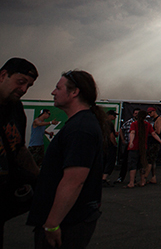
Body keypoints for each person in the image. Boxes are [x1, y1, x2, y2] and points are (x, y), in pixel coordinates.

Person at [27, 70, 107, 249]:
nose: (53, 92)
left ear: (74, 92)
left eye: (58, 88)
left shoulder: (81, 129)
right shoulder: (79, 124)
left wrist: (52, 223)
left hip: (68, 223)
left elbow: (74, 181)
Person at [0, 57, 39, 249]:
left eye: (28, 86)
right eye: (20, 82)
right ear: (3, 76)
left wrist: (39, 180)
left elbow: (20, 149)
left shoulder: (15, 108)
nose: (23, 89)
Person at [126, 110, 161, 188]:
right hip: (143, 148)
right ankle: (142, 181)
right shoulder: (147, 125)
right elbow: (154, 134)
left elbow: (132, 133)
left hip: (134, 147)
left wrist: (131, 142)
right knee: (142, 164)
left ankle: (131, 182)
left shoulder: (134, 124)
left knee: (133, 165)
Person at [115, 108, 139, 184]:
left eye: (138, 113)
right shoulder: (129, 122)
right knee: (125, 161)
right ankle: (121, 177)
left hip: (138, 145)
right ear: (133, 114)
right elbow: (121, 129)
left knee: (136, 162)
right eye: (135, 113)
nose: (137, 115)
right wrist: (123, 139)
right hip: (129, 144)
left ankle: (134, 178)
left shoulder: (143, 123)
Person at [145, 107, 161, 184]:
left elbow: (158, 131)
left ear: (154, 111)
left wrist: (150, 132)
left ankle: (146, 177)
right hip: (152, 141)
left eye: (150, 112)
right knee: (152, 160)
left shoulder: (158, 119)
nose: (149, 114)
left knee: (150, 160)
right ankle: (153, 177)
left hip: (155, 142)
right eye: (148, 113)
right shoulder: (153, 120)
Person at [101, 111, 118, 186]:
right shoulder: (109, 123)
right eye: (114, 115)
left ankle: (101, 177)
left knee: (103, 161)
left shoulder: (101, 122)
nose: (115, 117)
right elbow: (111, 136)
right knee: (110, 161)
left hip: (102, 145)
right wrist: (115, 144)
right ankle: (104, 178)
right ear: (110, 115)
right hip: (109, 145)